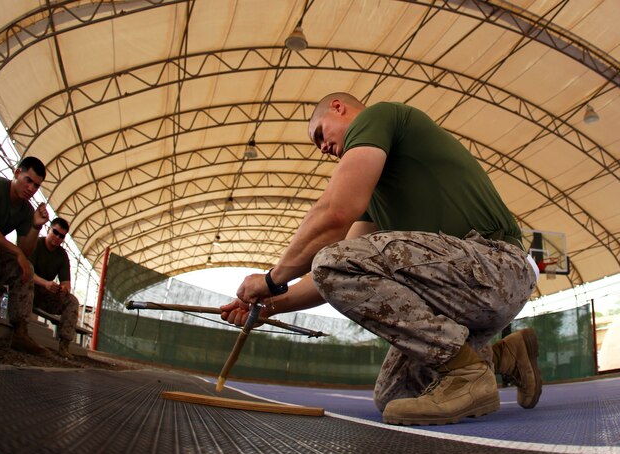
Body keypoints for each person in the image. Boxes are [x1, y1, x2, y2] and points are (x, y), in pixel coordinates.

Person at [220, 92, 542, 425]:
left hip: (497, 267)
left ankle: (465, 372)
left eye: (320, 133)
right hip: (465, 291)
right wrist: (265, 307)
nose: (322, 148)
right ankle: (505, 357)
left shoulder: (378, 117)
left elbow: (335, 215)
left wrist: (272, 280)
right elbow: (329, 278)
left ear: (338, 108)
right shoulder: (377, 196)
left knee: (331, 257)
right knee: (394, 396)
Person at [0, 156, 50, 355]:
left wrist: (36, 226)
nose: (31, 188)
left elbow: (26, 251)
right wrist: (17, 251)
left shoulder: (26, 210)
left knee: (24, 267)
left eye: (36, 186)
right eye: (28, 180)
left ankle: (20, 332)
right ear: (17, 173)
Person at [29, 217, 80, 358]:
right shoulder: (36, 244)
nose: (57, 237)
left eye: (61, 236)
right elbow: (26, 272)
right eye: (55, 232)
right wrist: (45, 283)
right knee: (24, 279)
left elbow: (66, 284)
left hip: (44, 294)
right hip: (27, 286)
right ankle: (19, 332)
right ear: (48, 229)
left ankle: (64, 345)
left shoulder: (62, 255)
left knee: (72, 301)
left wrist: (62, 289)